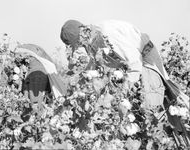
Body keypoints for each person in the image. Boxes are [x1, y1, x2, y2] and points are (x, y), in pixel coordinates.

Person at [60, 19, 189, 146]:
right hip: (131, 68)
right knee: (134, 114)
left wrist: (123, 92)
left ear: (83, 33)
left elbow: (134, 63)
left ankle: (164, 141)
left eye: (79, 42)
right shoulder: (91, 44)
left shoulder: (107, 34)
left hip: (145, 59)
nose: (81, 46)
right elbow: (97, 69)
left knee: (151, 109)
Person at [15, 44, 66, 121]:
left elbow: (34, 100)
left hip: (36, 115)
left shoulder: (35, 73)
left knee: (36, 108)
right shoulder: (38, 69)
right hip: (41, 111)